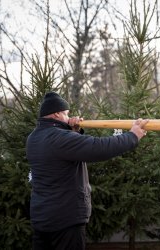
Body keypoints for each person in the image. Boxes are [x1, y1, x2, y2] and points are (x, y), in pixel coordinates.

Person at [26, 91, 148, 250]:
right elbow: (98, 147)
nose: (69, 117)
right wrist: (132, 136)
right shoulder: (59, 138)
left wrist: (73, 131)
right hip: (65, 220)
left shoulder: (34, 137)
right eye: (66, 113)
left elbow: (61, 155)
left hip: (42, 218)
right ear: (57, 113)